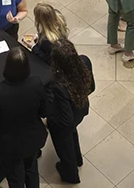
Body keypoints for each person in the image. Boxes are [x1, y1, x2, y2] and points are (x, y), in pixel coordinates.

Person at [0, 45, 47, 188]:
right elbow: (44, 112)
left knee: (15, 178)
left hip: (8, 146)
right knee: (32, 169)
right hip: (33, 139)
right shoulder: (36, 83)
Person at [45, 39, 94, 184]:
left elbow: (66, 121)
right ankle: (78, 159)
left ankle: (70, 175)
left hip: (65, 121)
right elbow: (92, 87)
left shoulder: (59, 84)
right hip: (81, 109)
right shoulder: (85, 61)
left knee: (65, 148)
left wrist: (52, 118)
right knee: (73, 133)